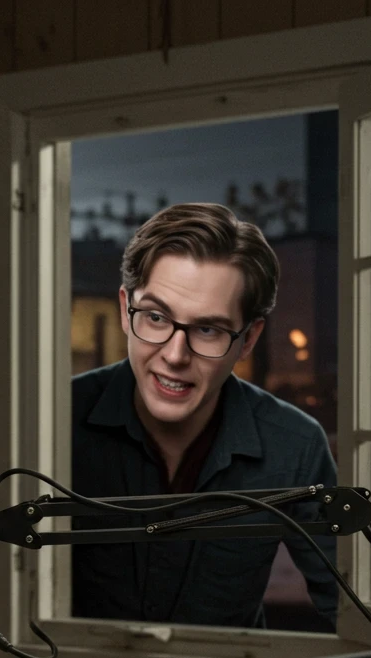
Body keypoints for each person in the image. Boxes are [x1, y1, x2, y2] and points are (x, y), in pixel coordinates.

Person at [71, 203, 337, 628]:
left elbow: (354, 611)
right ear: (125, 310)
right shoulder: (58, 421)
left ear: (248, 339)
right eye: (155, 317)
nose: (174, 356)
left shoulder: (295, 443)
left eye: (207, 330)